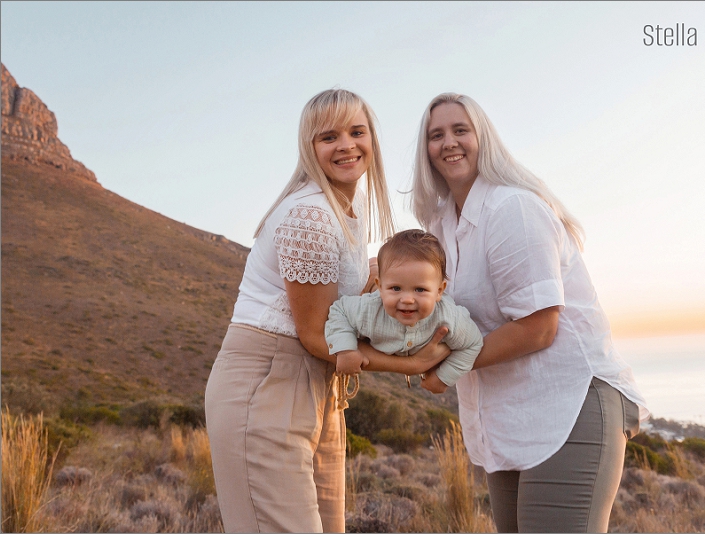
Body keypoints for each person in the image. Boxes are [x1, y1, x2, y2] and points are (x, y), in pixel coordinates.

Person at [204, 89, 450, 533]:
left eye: (357, 132)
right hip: (268, 385)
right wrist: (411, 363)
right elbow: (315, 336)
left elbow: (334, 302)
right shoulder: (312, 217)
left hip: (320, 389)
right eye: (328, 136)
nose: (346, 146)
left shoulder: (345, 214)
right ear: (309, 147)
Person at [411, 92, 649, 533]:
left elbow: (539, 327)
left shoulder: (511, 208)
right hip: (507, 417)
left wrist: (444, 364)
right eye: (436, 135)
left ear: (485, 138)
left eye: (461, 130)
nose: (449, 143)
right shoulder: (440, 226)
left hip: (568, 402)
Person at [325, 229, 483, 397]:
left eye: (420, 289)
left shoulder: (450, 318)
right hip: (372, 295)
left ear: (439, 291)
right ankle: (372, 273)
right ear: (381, 286)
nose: (407, 299)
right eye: (396, 288)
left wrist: (444, 377)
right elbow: (339, 311)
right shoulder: (368, 310)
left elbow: (473, 344)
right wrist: (345, 349)